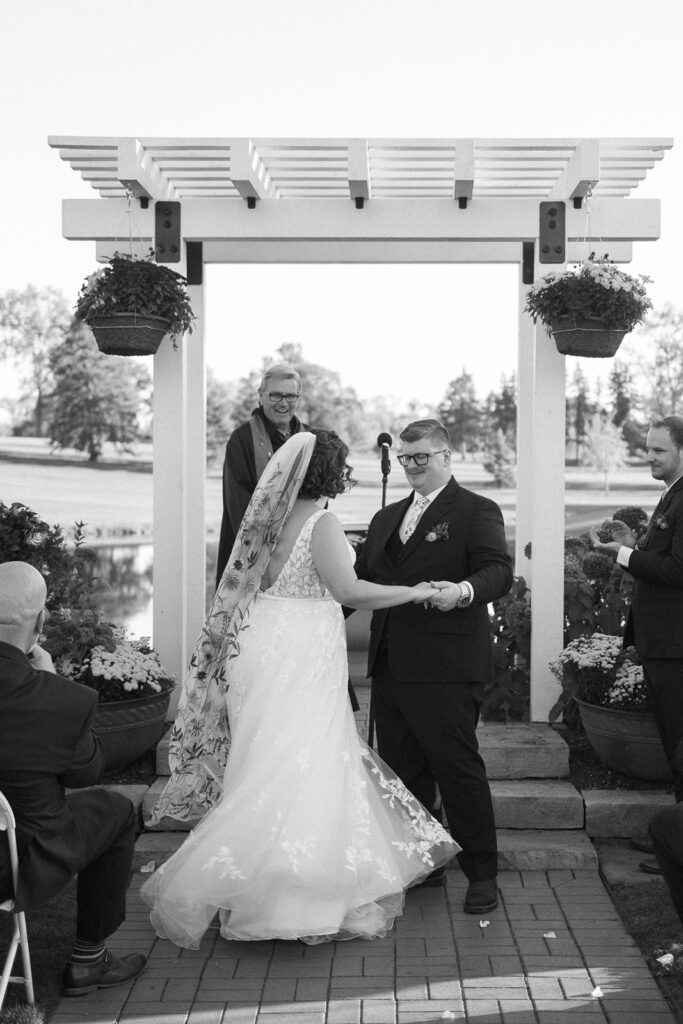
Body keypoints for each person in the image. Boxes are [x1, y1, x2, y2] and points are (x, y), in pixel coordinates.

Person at [142, 430, 458, 947]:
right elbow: (349, 590)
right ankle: (296, 905)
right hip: (304, 652)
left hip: (262, 646)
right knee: (306, 761)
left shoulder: (262, 520)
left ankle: (252, 895)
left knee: (264, 761)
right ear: (329, 473)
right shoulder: (322, 521)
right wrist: (417, 590)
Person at [353, 419, 513, 915]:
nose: (412, 467)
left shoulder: (475, 510)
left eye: (422, 457)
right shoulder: (386, 519)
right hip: (390, 664)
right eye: (406, 458)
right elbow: (360, 583)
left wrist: (463, 592)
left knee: (457, 769)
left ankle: (482, 873)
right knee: (404, 773)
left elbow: (498, 572)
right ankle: (427, 861)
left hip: (447, 662)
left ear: (447, 455)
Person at [0, 561, 146, 996]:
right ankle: (88, 961)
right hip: (18, 862)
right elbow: (87, 771)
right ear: (40, 621)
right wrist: (50, 681)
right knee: (118, 809)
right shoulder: (60, 699)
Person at [592, 416, 683, 869]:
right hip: (663, 643)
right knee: (675, 742)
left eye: (659, 451)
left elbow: (678, 571)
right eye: (648, 448)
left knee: (682, 744)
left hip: (677, 646)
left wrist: (625, 554)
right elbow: (660, 558)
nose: (648, 456)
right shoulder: (671, 495)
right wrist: (634, 545)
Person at [215, 363, 306, 588]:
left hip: (300, 552)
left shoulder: (310, 439)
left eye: (290, 396)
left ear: (298, 398)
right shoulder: (243, 439)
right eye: (275, 395)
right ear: (261, 395)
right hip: (253, 555)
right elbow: (239, 504)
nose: (283, 403)